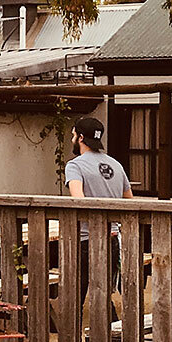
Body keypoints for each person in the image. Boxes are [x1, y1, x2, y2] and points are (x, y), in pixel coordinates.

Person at [64, 115, 132, 299]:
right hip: (112, 238)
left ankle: (74, 329)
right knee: (102, 296)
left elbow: (79, 200)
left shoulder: (74, 165)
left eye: (73, 135)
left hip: (85, 239)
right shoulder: (116, 165)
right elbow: (129, 199)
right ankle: (106, 328)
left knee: (75, 296)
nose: (72, 140)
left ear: (80, 138)